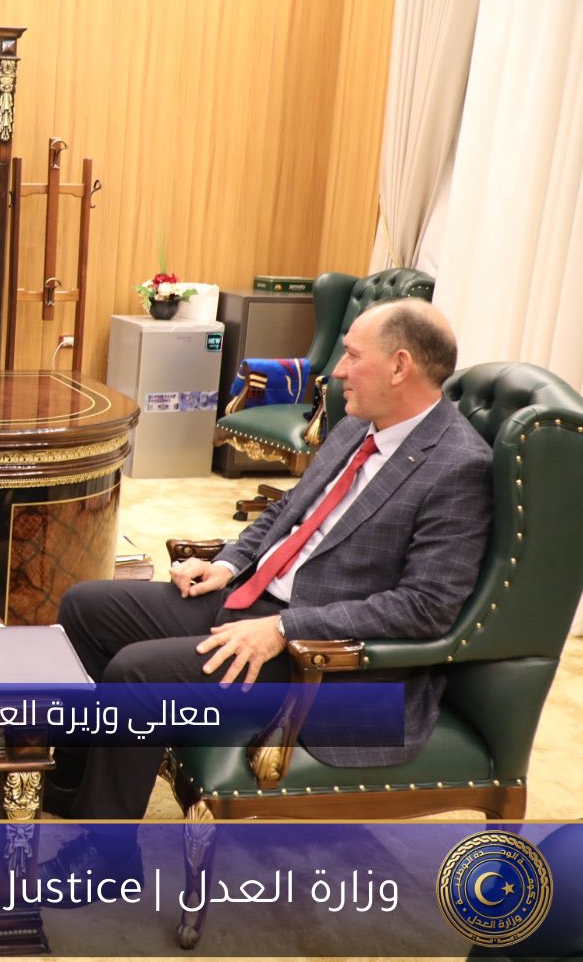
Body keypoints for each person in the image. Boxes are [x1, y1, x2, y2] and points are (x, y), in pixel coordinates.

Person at [39, 298, 492, 894]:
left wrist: (284, 628)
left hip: (329, 662)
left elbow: (425, 607)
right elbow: (286, 512)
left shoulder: (458, 465)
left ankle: (109, 854)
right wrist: (227, 564)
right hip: (258, 597)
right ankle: (71, 790)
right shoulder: (358, 425)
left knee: (138, 674)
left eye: (352, 356)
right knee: (88, 606)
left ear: (400, 365)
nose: (336, 371)